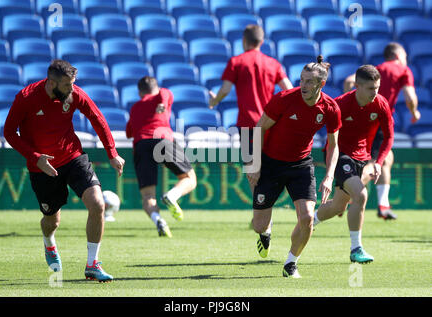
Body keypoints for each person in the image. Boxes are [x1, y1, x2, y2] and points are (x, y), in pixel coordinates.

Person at [3, 59, 125, 282]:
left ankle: (93, 264)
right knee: (52, 221)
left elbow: (97, 118)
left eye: (73, 84)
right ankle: (49, 243)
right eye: (67, 85)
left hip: (72, 156)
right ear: (51, 83)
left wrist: (112, 152)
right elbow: (9, 132)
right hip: (43, 167)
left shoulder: (74, 93)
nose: (72, 90)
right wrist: (35, 157)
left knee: (98, 204)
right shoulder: (26, 98)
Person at [247, 56, 342, 278]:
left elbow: (334, 146)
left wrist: (329, 176)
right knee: (258, 225)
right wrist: (255, 163)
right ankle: (266, 231)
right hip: (271, 163)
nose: (303, 85)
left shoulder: (330, 108)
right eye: (301, 80)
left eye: (309, 81)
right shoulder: (283, 99)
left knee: (308, 217)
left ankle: (291, 263)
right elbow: (259, 128)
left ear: (321, 84)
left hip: (301, 165)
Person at [313, 65, 394, 263]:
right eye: (370, 88)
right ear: (357, 86)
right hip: (340, 156)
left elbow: (389, 137)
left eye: (377, 88)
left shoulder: (381, 104)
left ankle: (309, 220)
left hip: (362, 157)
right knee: (361, 195)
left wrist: (378, 162)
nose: (375, 93)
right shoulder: (340, 105)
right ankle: (356, 249)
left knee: (338, 207)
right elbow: (315, 117)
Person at [208, 24, 293, 195]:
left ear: (243, 41)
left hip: (247, 126)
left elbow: (225, 89)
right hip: (270, 123)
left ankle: (261, 216)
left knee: (252, 171)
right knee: (268, 167)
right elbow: (289, 89)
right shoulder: (273, 64)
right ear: (261, 41)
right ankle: (264, 215)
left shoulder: (236, 62)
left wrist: (214, 101)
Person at [343, 42, 420, 220]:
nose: (406, 60)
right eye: (405, 57)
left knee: (386, 159)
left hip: (365, 120)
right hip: (379, 121)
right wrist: (414, 112)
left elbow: (348, 82)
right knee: (375, 163)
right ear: (398, 55)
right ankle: (345, 196)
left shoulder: (377, 69)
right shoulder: (403, 69)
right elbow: (410, 96)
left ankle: (383, 206)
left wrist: (352, 106)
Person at [125, 76, 197, 238]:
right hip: (162, 139)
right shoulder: (162, 95)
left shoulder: (135, 107)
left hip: (141, 145)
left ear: (139, 92)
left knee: (148, 195)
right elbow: (165, 93)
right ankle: (172, 195)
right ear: (155, 87)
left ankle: (158, 220)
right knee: (190, 178)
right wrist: (162, 105)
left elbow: (129, 132)